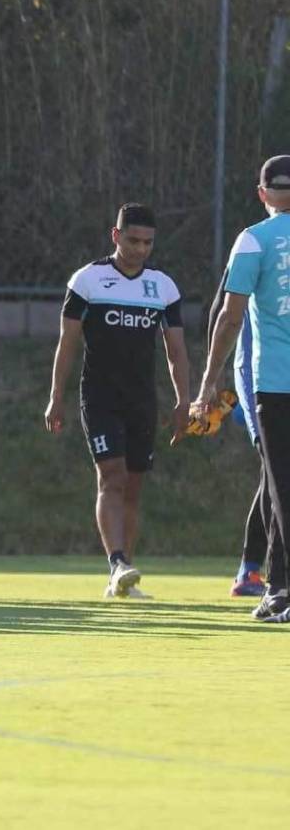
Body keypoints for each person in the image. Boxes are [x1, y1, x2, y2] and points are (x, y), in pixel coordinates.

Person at [46, 202, 189, 599]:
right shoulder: (88, 280)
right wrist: (55, 397)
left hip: (142, 400)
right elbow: (68, 343)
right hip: (100, 397)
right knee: (112, 477)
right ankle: (118, 564)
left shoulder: (163, 287)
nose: (140, 249)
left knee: (134, 487)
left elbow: (176, 350)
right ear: (115, 236)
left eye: (148, 242)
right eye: (133, 240)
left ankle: (122, 576)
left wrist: (183, 401)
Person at [193, 155, 290, 623]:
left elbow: (230, 316)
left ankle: (281, 591)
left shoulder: (253, 241)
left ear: (261, 193)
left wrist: (209, 382)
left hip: (275, 383)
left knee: (280, 485)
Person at [205, 267, 272, 597]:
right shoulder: (256, 243)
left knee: (275, 474)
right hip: (259, 376)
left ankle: (253, 570)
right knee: (275, 471)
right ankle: (253, 570)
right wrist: (211, 380)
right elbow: (222, 312)